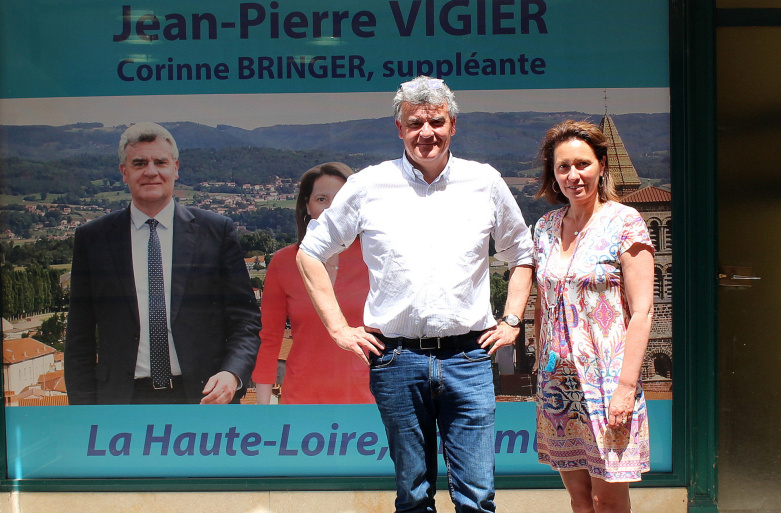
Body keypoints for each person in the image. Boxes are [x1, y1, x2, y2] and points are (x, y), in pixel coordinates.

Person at [296, 76, 534, 513]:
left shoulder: (484, 182)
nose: (427, 132)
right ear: (399, 128)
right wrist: (338, 329)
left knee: (478, 498)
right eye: (415, 123)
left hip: (468, 357)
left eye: (436, 122)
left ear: (453, 125)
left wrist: (513, 320)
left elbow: (522, 252)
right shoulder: (369, 186)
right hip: (396, 360)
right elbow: (310, 253)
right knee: (413, 497)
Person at [65, 122, 262, 405]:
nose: (151, 171)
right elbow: (79, 338)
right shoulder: (93, 238)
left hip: (205, 398)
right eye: (139, 163)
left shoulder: (216, 232)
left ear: (176, 168)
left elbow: (246, 320)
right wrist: (83, 414)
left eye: (160, 162)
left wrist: (232, 374)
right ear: (124, 172)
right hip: (121, 403)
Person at [533, 120, 654, 512]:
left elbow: (642, 312)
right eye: (563, 167)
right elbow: (542, 303)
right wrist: (539, 366)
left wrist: (625, 387)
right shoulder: (546, 228)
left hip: (607, 382)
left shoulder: (625, 223)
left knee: (608, 499)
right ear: (553, 173)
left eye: (582, 164)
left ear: (602, 164)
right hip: (557, 384)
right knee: (581, 499)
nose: (573, 175)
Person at [252, 162, 373, 404]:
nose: (331, 209)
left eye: (341, 200)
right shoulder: (283, 263)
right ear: (306, 205)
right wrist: (262, 411)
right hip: (302, 400)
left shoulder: (376, 259)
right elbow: (270, 340)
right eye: (321, 199)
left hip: (368, 400)